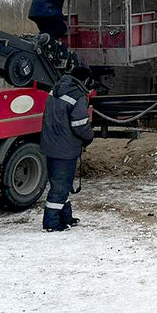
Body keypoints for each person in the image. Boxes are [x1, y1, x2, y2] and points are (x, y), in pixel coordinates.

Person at [40, 70, 94, 231]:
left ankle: (66, 216)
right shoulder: (78, 96)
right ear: (85, 80)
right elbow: (80, 124)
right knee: (60, 185)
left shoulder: (56, 89)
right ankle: (51, 223)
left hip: (50, 144)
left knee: (61, 183)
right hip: (65, 148)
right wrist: (89, 137)